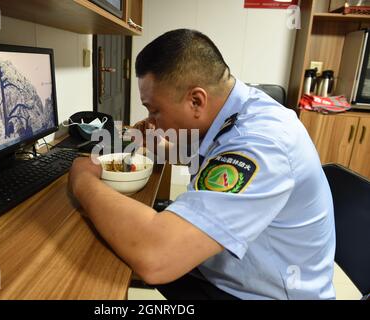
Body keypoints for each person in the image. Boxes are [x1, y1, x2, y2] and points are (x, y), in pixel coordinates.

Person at [67, 29, 336, 300]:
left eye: (155, 110)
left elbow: (157, 257)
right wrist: (154, 143)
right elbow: (195, 152)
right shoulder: (234, 110)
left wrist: (83, 180)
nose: (151, 119)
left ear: (196, 100)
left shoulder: (262, 143)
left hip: (255, 294)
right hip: (227, 272)